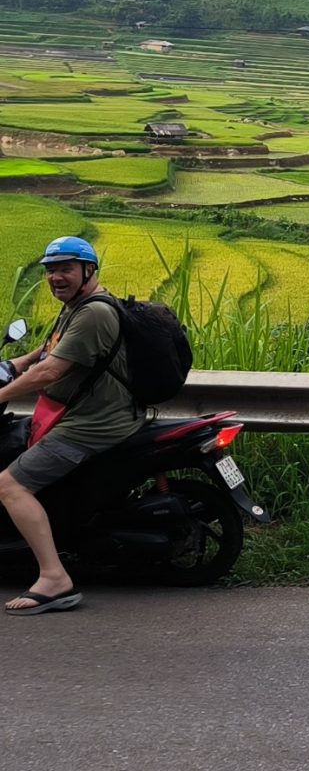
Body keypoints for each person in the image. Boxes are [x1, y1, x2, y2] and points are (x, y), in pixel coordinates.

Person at [0, 236, 140, 615]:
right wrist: (12, 365)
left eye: (65, 268)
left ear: (88, 271)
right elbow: (47, 353)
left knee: (9, 484)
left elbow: (50, 371)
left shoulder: (93, 312)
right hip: (74, 412)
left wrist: (2, 393)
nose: (56, 277)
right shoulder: (76, 306)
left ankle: (54, 578)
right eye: (50, 270)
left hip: (90, 423)